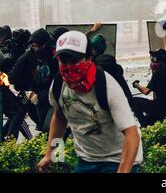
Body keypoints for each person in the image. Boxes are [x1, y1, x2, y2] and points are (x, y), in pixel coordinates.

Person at [38, 31, 143, 173]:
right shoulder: (58, 85)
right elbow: (60, 117)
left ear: (88, 58)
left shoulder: (107, 86)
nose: (68, 66)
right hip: (87, 159)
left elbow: (132, 134)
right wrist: (50, 154)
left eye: (74, 60)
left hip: (118, 159)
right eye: (63, 60)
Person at [9, 28, 58, 132]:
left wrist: (41, 95)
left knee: (49, 127)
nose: (36, 49)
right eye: (33, 46)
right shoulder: (28, 56)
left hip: (53, 98)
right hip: (35, 99)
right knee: (43, 127)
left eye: (39, 46)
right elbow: (14, 76)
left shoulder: (55, 58)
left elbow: (59, 83)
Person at [131, 49, 166, 127]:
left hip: (161, 109)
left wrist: (136, 85)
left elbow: (146, 91)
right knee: (149, 118)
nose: (152, 61)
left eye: (154, 59)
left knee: (133, 101)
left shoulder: (159, 73)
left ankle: (143, 124)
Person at [89, 34, 135, 109]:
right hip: (125, 103)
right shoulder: (113, 64)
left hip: (110, 107)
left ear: (93, 50)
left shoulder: (97, 67)